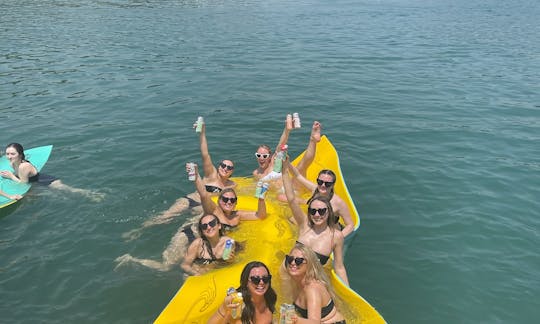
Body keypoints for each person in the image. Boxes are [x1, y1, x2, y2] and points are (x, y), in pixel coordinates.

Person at [123, 120, 236, 241]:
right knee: (166, 216)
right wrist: (202, 133)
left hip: (202, 208)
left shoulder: (233, 186)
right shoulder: (211, 174)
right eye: (223, 165)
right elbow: (205, 153)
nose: (225, 168)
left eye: (229, 167)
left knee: (191, 224)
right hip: (192, 200)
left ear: (232, 171)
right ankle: (139, 230)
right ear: (219, 166)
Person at [282, 159, 349, 285]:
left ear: (329, 212)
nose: (317, 215)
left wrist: (348, 294)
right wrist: (285, 168)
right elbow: (291, 198)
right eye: (313, 211)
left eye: (322, 211)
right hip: (288, 273)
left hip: (311, 280)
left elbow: (339, 268)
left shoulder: (336, 237)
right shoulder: (304, 224)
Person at [115, 214, 234, 273]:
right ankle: (131, 259)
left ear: (219, 226)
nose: (209, 227)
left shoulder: (229, 242)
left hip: (197, 237)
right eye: (205, 226)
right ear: (202, 229)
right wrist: (195, 273)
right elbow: (184, 265)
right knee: (165, 267)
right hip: (187, 234)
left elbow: (228, 262)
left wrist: (230, 260)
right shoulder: (198, 243)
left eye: (213, 223)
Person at [0, 143, 104, 201]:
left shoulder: (24, 166)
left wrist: (11, 176)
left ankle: (93, 194)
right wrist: (12, 174)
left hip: (47, 181)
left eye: (12, 154)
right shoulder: (12, 163)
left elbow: (23, 183)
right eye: (7, 154)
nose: (9, 157)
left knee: (71, 190)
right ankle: (68, 197)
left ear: (20, 154)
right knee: (56, 195)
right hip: (36, 183)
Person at [281, 243, 346, 324]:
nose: (293, 263)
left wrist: (295, 320)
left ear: (309, 264)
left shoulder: (312, 289)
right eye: (290, 259)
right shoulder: (294, 281)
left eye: (298, 261)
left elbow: (315, 322)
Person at [193, 164, 267, 230]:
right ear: (219, 201)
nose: (229, 202)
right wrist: (196, 175)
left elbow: (260, 216)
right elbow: (203, 194)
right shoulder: (215, 211)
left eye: (232, 200)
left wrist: (261, 199)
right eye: (225, 199)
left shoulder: (237, 215)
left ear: (236, 203)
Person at [286, 167, 354, 238]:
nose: (323, 185)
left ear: (333, 185)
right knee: (289, 216)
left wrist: (337, 239)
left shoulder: (338, 202)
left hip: (330, 234)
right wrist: (287, 163)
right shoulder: (315, 190)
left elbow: (350, 225)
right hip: (316, 227)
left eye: (327, 184)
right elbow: (297, 176)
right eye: (320, 182)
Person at [208, 261, 277, 324]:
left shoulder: (270, 297)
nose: (261, 282)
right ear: (246, 282)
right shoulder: (235, 302)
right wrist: (227, 312)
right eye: (255, 279)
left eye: (265, 278)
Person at [253, 114, 294, 182]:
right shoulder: (256, 173)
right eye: (258, 155)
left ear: (270, 157)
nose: (261, 158)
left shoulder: (273, 164)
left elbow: (280, 145)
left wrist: (287, 130)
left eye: (265, 156)